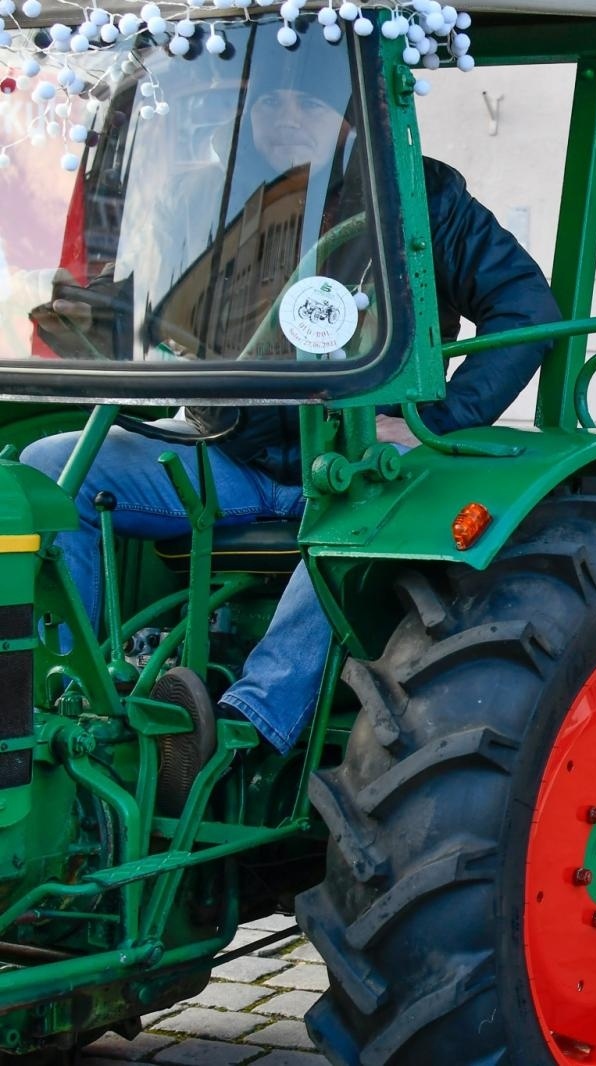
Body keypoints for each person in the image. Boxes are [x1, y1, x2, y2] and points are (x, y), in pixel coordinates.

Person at [20, 79, 562, 793]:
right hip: (232, 453)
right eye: (271, 99)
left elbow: (526, 306)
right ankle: (60, 691)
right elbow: (159, 309)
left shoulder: (421, 198)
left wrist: (437, 421)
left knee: (351, 533)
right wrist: (102, 315)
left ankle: (238, 731)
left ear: (351, 115)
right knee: (51, 468)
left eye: (308, 98)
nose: (285, 114)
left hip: (356, 462)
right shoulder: (213, 197)